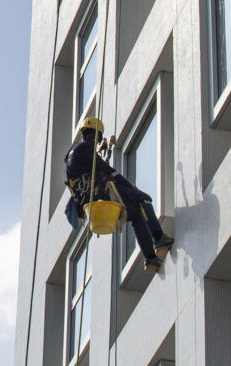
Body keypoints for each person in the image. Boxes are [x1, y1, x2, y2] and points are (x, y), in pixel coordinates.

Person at [61, 116, 171, 271]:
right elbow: (109, 172)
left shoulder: (73, 154)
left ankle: (150, 258)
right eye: (95, 135)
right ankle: (159, 238)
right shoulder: (84, 148)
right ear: (91, 135)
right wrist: (132, 188)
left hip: (93, 201)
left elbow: (97, 170)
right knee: (143, 200)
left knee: (136, 215)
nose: (95, 139)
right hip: (100, 192)